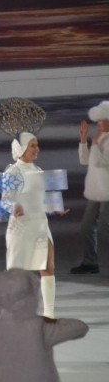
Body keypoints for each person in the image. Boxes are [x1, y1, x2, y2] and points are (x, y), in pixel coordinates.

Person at [1, 132, 61, 319]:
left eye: (37, 145)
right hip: (21, 228)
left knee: (48, 266)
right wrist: (14, 208)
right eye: (32, 145)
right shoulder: (13, 172)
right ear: (21, 149)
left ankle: (49, 315)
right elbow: (5, 201)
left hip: (40, 224)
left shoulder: (38, 170)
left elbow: (41, 199)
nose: (37, 149)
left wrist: (54, 207)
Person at [71, 102, 109, 274]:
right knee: (87, 226)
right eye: (98, 121)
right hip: (95, 190)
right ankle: (90, 262)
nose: (99, 124)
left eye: (102, 120)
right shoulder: (99, 138)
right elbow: (85, 161)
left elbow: (102, 163)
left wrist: (94, 145)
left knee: (104, 229)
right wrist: (83, 139)